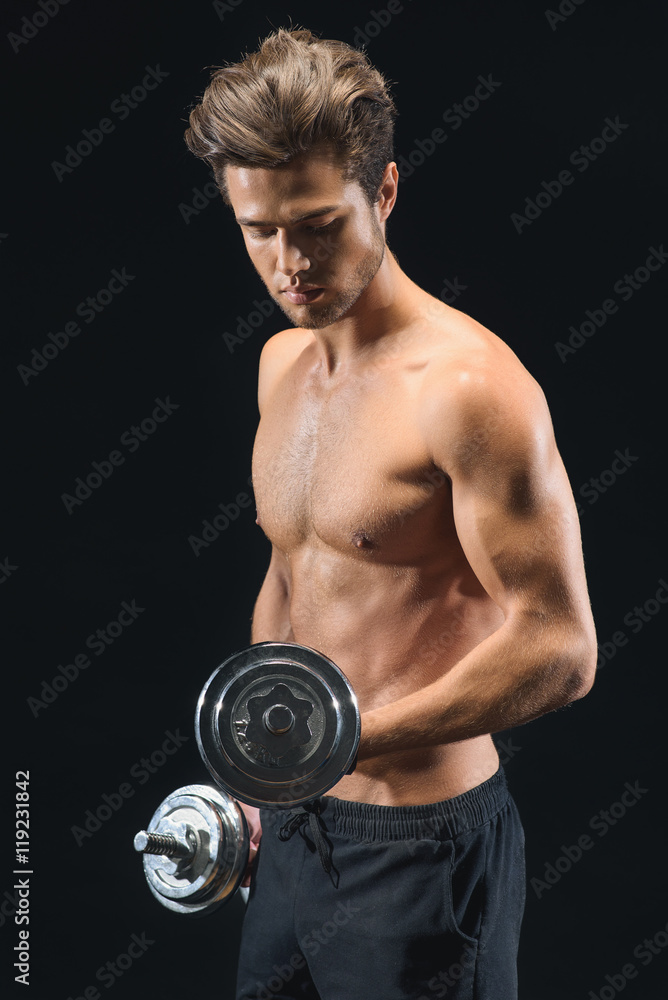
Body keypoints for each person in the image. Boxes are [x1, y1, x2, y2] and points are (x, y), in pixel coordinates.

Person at [185, 26, 597, 1000]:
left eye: (320, 224)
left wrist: (345, 736)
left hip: (421, 847)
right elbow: (292, 573)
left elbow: (560, 646)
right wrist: (257, 780)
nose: (289, 261)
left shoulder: (466, 390)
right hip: (291, 835)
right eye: (259, 229)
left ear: (385, 193)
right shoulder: (281, 365)